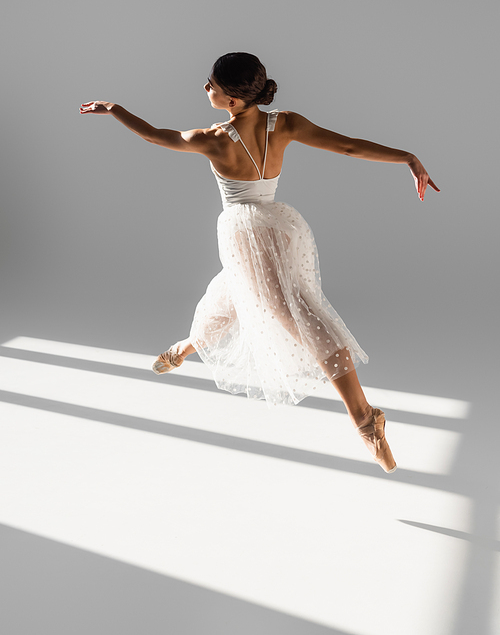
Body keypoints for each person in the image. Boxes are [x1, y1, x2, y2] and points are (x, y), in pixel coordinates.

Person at [80, 52, 439, 473]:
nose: (205, 88)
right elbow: (346, 146)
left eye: (211, 85)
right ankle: (184, 347)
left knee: (299, 316)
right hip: (280, 226)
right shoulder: (284, 123)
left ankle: (365, 418)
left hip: (244, 233)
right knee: (234, 295)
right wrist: (407, 157)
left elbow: (155, 137)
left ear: (232, 101)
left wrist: (114, 108)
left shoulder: (213, 138)